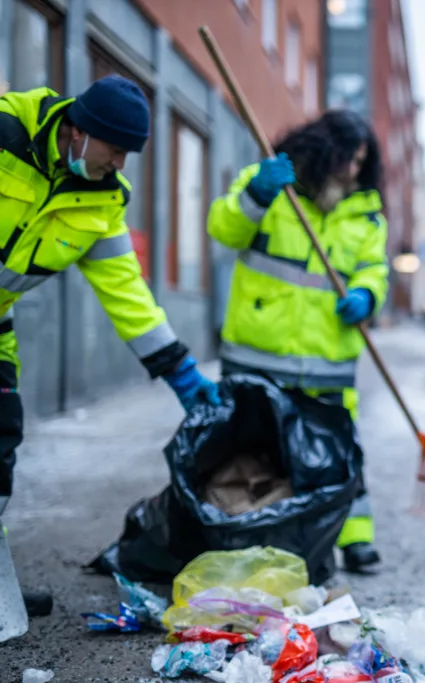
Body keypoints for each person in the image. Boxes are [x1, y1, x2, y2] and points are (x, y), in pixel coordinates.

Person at [0, 77, 221, 616]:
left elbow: (128, 292)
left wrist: (181, 372)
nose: (120, 164)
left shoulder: (103, 204)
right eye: (115, 150)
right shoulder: (6, 131)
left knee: (1, 437)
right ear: (78, 130)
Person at [207, 109, 388, 574]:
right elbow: (224, 230)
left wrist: (367, 295)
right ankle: (246, 532)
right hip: (258, 356)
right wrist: (256, 195)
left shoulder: (366, 213)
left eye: (360, 163)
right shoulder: (269, 183)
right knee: (253, 457)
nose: (352, 171)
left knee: (337, 453)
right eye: (348, 159)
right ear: (325, 150)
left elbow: (374, 268)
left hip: (327, 360)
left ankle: (355, 539)